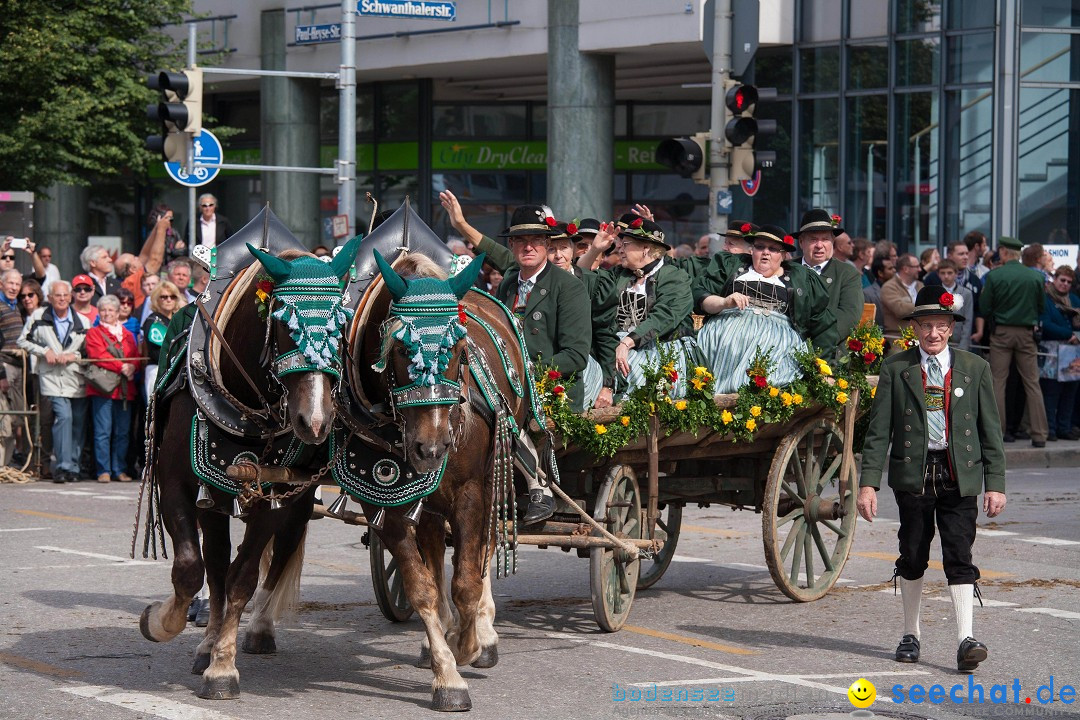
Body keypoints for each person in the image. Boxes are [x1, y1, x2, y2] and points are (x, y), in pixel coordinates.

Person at [858, 285, 1006, 673]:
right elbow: (878, 433)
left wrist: (996, 484)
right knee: (913, 553)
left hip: (959, 474)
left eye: (941, 326)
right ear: (916, 329)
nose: (934, 334)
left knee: (960, 554)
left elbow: (991, 430)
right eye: (926, 326)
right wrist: (868, 483)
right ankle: (911, 634)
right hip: (915, 473)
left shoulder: (975, 368)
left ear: (951, 328)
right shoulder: (895, 368)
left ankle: (965, 639)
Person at [438, 193, 589, 525]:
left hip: (552, 387)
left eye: (536, 240)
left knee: (501, 413)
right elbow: (494, 252)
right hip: (505, 382)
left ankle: (540, 488)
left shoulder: (568, 287)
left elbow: (576, 356)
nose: (528, 246)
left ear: (549, 246)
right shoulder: (509, 281)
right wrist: (461, 224)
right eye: (520, 240)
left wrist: (528, 370)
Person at [693, 225, 837, 391]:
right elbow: (700, 295)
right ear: (752, 250)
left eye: (773, 249)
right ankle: (715, 395)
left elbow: (822, 323)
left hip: (776, 342)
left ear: (783, 255)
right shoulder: (732, 266)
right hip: (726, 336)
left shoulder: (802, 278)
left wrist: (822, 368)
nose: (766, 252)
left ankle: (757, 399)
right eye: (760, 247)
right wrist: (724, 302)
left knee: (771, 352)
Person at [577, 215, 697, 401]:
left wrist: (626, 343)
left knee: (625, 373)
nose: (619, 248)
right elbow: (582, 279)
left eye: (626, 244)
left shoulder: (674, 277)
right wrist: (594, 250)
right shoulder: (619, 274)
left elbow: (663, 318)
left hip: (659, 348)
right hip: (616, 346)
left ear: (646, 248)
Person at [980, 236, 1049, 447]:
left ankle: (997, 433)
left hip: (1001, 332)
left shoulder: (995, 276)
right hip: (1027, 332)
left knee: (998, 382)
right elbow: (1041, 308)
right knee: (1032, 382)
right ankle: (1039, 434)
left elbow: (984, 307)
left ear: (1003, 252)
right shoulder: (1035, 277)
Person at [17, 281, 88, 483]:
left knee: (78, 423)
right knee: (64, 418)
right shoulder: (38, 317)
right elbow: (23, 340)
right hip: (51, 378)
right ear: (50, 298)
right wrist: (44, 351)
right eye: (58, 295)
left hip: (76, 377)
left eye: (65, 295)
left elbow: (88, 348)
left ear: (71, 296)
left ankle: (73, 467)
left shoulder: (82, 320)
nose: (62, 299)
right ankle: (63, 467)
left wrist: (74, 354)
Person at [84, 295, 140, 483]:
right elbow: (98, 355)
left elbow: (135, 355)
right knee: (103, 431)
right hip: (103, 389)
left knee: (123, 432)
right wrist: (122, 366)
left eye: (110, 310)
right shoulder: (94, 333)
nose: (107, 313)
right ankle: (103, 469)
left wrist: (132, 366)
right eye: (103, 310)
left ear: (117, 313)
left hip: (125, 389)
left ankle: (119, 469)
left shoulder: (127, 334)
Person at [793, 209, 864, 348]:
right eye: (813, 239)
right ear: (801, 242)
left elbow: (848, 316)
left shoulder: (847, 273)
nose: (820, 245)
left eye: (825, 239)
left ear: (832, 241)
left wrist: (813, 345)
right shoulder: (788, 269)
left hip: (828, 352)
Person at [1038, 266, 1080, 441]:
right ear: (1055, 279)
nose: (1065, 284)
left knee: (1070, 392)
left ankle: (1064, 427)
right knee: (1051, 393)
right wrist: (1067, 334)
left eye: (1069, 282)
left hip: (1072, 352)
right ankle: (1051, 429)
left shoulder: (1075, 300)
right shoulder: (1045, 299)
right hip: (1051, 352)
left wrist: (1076, 335)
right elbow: (1045, 323)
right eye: (1062, 280)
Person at [0, 268, 28, 465]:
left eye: (17, 284)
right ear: (2, 284)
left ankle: (8, 462)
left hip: (20, 366)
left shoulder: (17, 306)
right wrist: (0, 374)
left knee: (18, 417)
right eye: (10, 283)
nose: (14, 287)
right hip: (4, 365)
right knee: (4, 418)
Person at [141, 282, 186, 398]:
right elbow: (159, 352)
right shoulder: (153, 321)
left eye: (172, 296)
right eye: (164, 297)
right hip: (157, 370)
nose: (169, 300)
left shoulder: (178, 320)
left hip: (178, 370)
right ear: (156, 299)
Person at [880, 253, 923, 345]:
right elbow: (900, 310)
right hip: (898, 339)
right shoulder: (889, 287)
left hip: (920, 337)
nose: (920, 269)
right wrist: (923, 305)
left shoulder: (920, 285)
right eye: (917, 266)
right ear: (906, 269)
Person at [934, 259, 973, 351]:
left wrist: (963, 347)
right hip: (938, 341)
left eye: (949, 273)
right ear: (938, 274)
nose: (946, 276)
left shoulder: (966, 293)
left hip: (958, 341)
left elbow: (968, 321)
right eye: (942, 273)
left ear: (956, 273)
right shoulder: (934, 292)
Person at [863, 254, 895, 331]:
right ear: (880, 273)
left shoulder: (898, 290)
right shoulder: (867, 293)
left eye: (894, 267)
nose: (894, 271)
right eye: (890, 268)